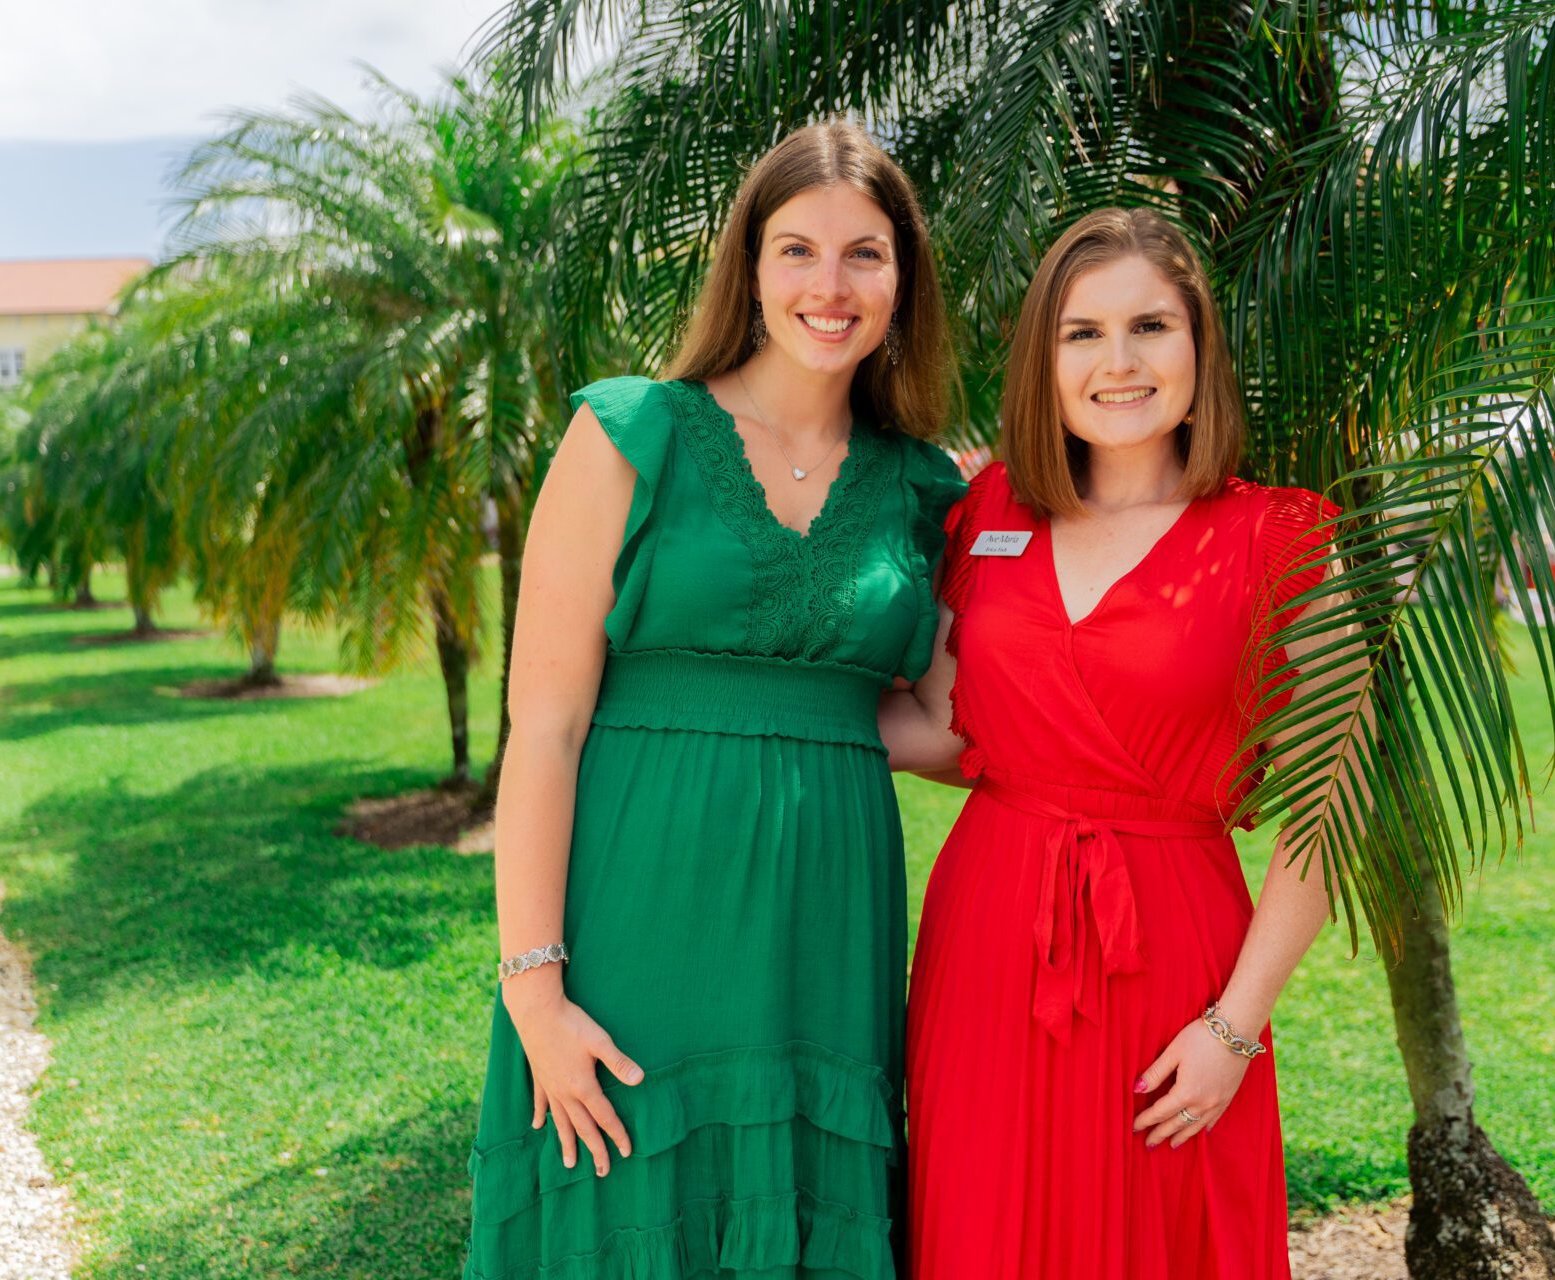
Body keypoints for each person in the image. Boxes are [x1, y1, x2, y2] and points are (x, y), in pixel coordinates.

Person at [464, 120, 965, 1279]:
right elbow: (545, 728)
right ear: (748, 264)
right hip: (635, 930)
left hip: (825, 946)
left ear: (904, 281)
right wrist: (535, 990)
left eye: (865, 254)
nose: (829, 286)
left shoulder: (923, 487)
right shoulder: (630, 432)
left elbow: (944, 721)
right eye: (798, 250)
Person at [882, 207, 1367, 1278]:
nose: (1119, 362)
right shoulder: (990, 509)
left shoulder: (1283, 539)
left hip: (1174, 964)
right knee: (980, 1233)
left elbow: (1336, 807)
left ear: (1200, 344)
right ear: (1044, 360)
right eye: (1082, 333)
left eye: (1150, 325)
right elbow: (941, 723)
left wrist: (1234, 1029)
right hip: (985, 943)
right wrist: (751, 720)